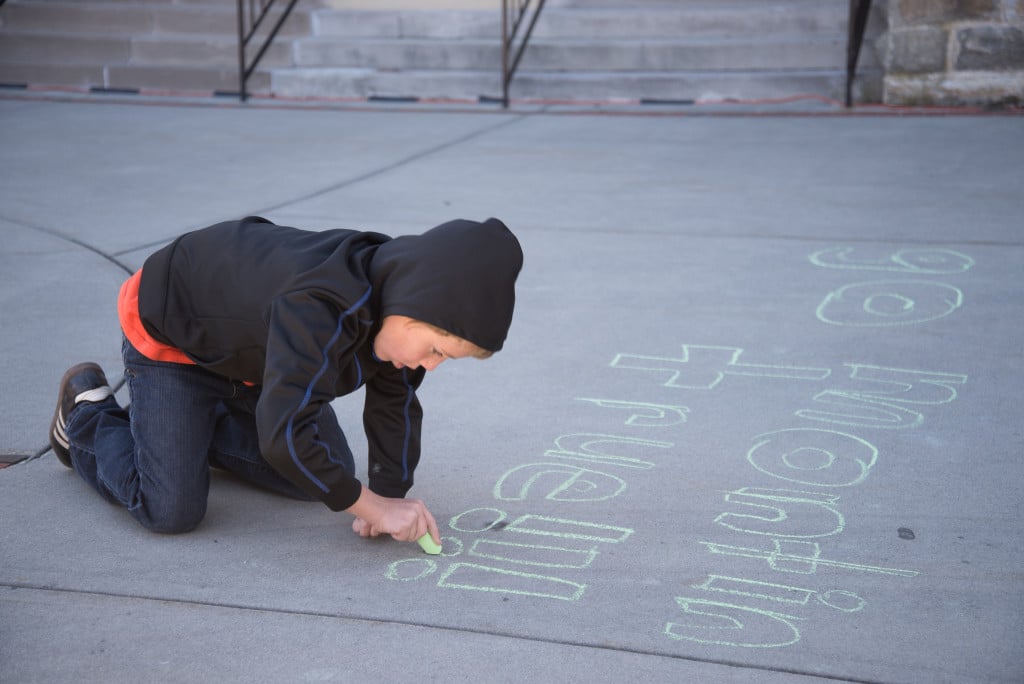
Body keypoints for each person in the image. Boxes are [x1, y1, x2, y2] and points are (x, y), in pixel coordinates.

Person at [48, 216, 523, 548]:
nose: (433, 365)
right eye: (437, 351)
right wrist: (370, 507)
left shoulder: (402, 320)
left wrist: (389, 495)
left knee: (323, 473)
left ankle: (186, 429)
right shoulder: (319, 308)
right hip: (175, 334)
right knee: (170, 510)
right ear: (411, 302)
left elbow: (393, 408)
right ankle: (86, 417)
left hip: (257, 359)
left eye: (447, 359)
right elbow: (284, 436)